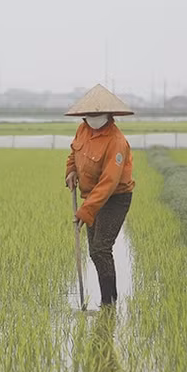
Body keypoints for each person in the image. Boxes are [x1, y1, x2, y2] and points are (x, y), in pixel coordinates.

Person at [64, 84, 135, 309]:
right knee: (95, 252)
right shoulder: (82, 130)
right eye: (89, 114)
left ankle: (108, 303)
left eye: (97, 114)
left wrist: (85, 211)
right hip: (91, 196)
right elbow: (74, 154)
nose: (93, 118)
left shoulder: (116, 141)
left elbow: (109, 182)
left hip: (115, 198)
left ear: (108, 114)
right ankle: (109, 299)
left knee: (101, 249)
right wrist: (71, 171)